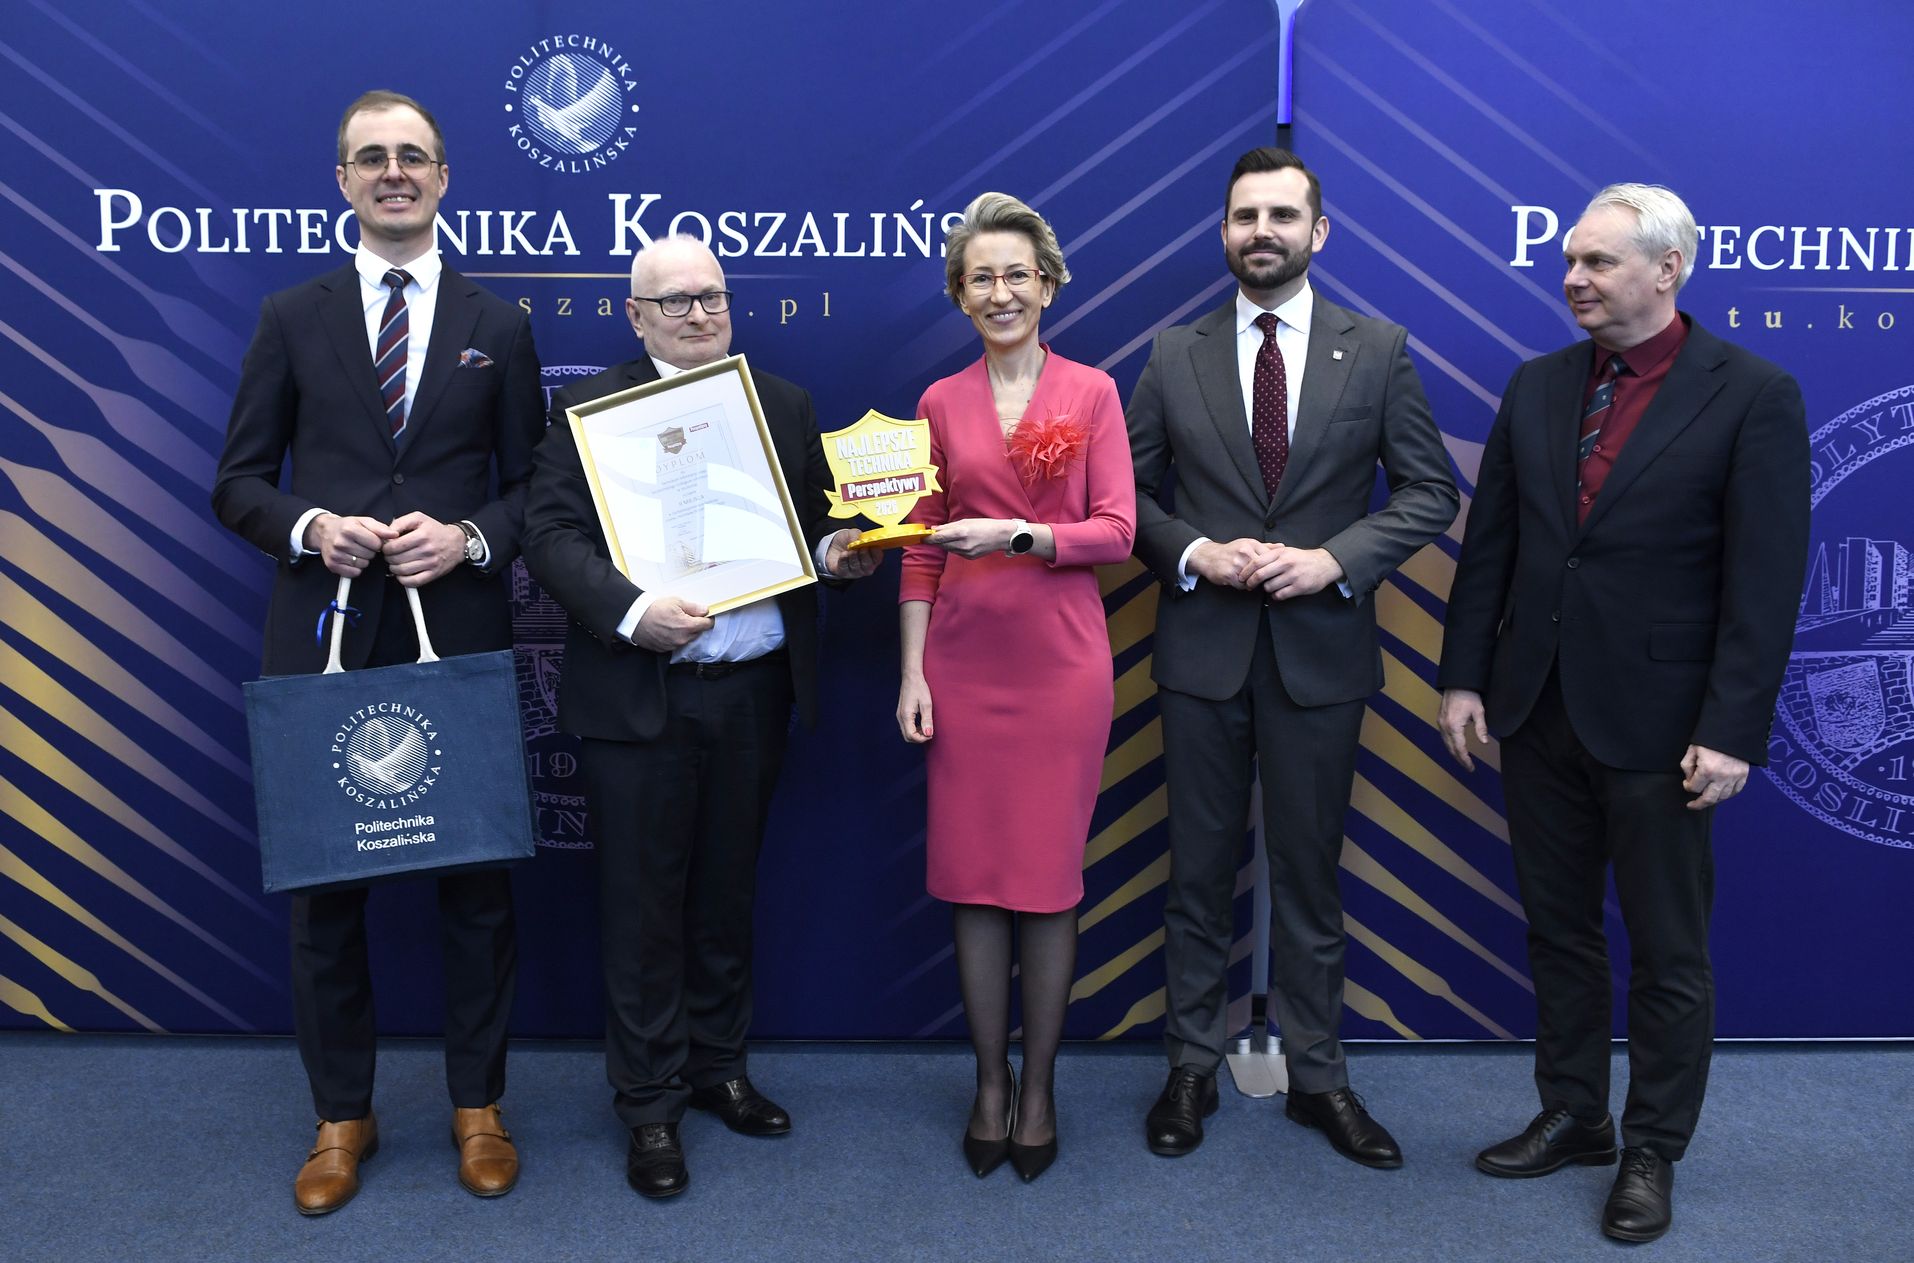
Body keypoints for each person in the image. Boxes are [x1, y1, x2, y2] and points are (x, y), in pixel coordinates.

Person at [1436, 183, 1809, 1243]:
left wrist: (1732, 730)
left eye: (1598, 262)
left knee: (1667, 950)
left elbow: (1765, 582)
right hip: (1536, 709)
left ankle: (1652, 1149)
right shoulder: (1540, 384)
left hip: (1666, 727)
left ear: (1667, 269)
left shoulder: (1753, 393)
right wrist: (1465, 677)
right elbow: (1492, 546)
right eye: (1570, 261)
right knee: (1558, 931)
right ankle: (1575, 1114)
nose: (1574, 279)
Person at [211, 90, 543, 1215]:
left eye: (412, 155)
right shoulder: (288, 316)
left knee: (476, 884)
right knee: (326, 891)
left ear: (443, 176)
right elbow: (238, 482)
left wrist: (471, 538)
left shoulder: (501, 325)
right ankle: (340, 1117)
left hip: (456, 631)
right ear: (343, 180)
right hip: (327, 635)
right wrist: (312, 527)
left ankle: (478, 1106)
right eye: (371, 158)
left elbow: (534, 485)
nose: (393, 172)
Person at [520, 233, 878, 1199]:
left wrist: (840, 554)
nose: (697, 313)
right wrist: (634, 611)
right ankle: (649, 1103)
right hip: (641, 697)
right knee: (641, 909)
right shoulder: (590, 411)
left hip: (753, 690)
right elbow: (548, 535)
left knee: (726, 894)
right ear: (635, 316)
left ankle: (719, 1067)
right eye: (674, 300)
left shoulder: (782, 403)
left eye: (711, 295)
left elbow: (815, 529)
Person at [1125, 147, 1457, 1168]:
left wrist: (1333, 560)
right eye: (1244, 216)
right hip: (1202, 656)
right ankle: (1190, 1067)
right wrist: (1194, 550)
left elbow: (1430, 491)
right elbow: (1122, 496)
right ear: (1222, 232)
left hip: (1322, 656)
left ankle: (1319, 1078)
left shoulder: (1381, 350)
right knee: (1197, 876)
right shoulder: (1172, 355)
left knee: (1310, 878)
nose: (1260, 231)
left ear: (1319, 232)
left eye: (1281, 215)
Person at [896, 192, 1136, 1183]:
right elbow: (918, 552)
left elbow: (1118, 531)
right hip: (960, 668)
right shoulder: (936, 403)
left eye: (1017, 275)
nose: (1001, 292)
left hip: (1061, 671)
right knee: (972, 881)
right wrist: (912, 672)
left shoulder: (1094, 392)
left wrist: (1022, 535)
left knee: (1045, 885)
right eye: (981, 277)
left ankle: (1039, 1090)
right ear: (961, 294)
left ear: (1048, 285)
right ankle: (988, 1084)